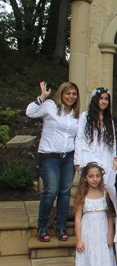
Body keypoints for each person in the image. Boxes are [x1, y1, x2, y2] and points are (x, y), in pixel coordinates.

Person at [26, 81, 80, 242]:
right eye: (67, 93)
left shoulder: (77, 115)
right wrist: (41, 97)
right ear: (61, 94)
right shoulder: (50, 106)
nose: (71, 97)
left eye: (74, 94)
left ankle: (61, 225)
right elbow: (30, 112)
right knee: (51, 190)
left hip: (68, 156)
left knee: (65, 192)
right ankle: (42, 226)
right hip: (49, 156)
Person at [74, 162, 116, 266]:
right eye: (91, 176)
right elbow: (78, 218)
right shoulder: (82, 194)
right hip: (88, 233)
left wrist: (110, 234)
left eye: (97, 176)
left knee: (104, 261)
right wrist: (79, 239)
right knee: (91, 261)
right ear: (85, 178)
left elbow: (110, 215)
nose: (95, 179)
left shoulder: (105, 193)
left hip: (103, 232)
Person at [74, 87, 116, 176]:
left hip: (105, 156)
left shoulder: (109, 120)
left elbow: (113, 142)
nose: (104, 101)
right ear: (95, 100)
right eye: (101, 98)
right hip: (88, 155)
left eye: (106, 99)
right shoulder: (85, 116)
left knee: (105, 184)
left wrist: (114, 163)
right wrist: (78, 162)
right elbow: (79, 138)